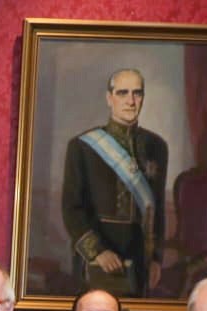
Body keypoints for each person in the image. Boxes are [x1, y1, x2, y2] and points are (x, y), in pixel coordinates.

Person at [61, 69, 168, 298]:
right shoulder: (82, 147)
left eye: (137, 94)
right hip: (97, 260)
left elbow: (156, 210)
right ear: (109, 98)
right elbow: (71, 209)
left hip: (140, 260)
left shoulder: (157, 146)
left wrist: (156, 258)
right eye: (122, 93)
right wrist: (98, 252)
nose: (130, 101)